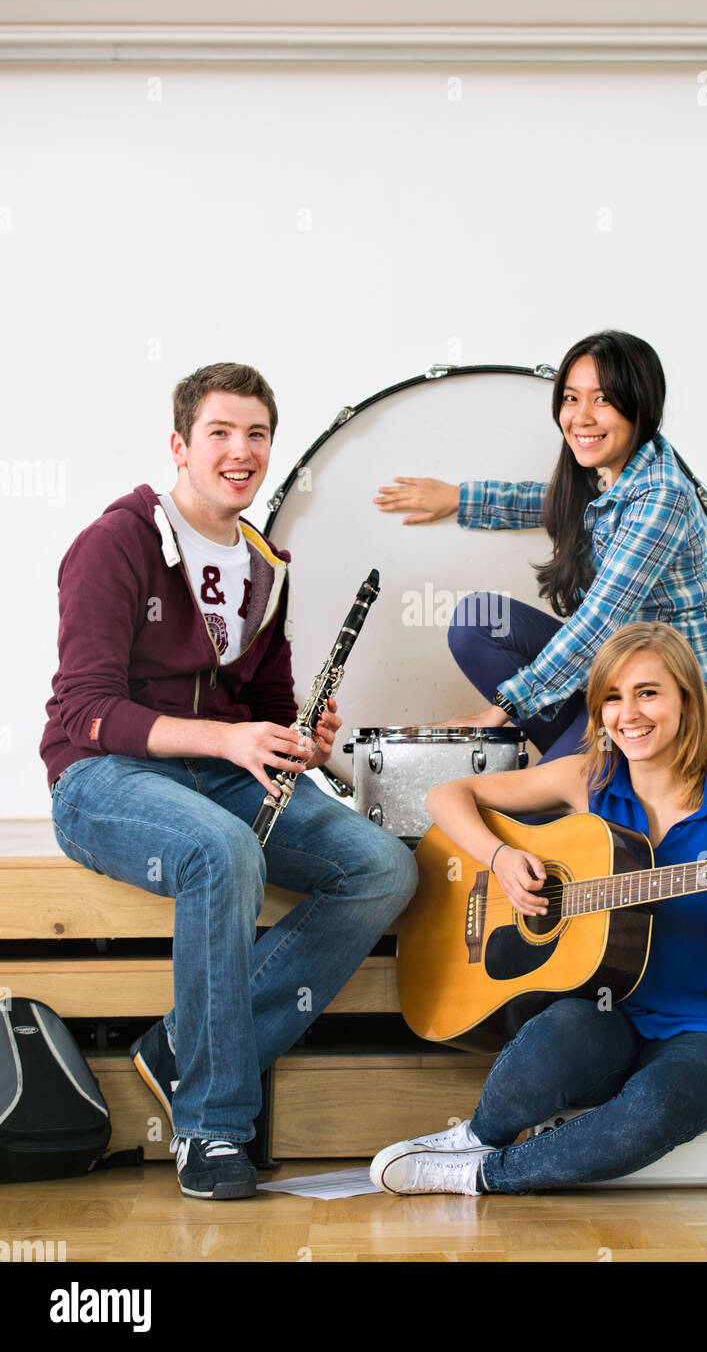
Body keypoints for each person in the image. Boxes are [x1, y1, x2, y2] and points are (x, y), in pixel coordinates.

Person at [40, 362, 417, 1200]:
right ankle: (211, 1124)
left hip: (217, 774)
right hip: (105, 778)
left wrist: (300, 738)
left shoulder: (265, 564)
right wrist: (225, 737)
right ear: (180, 445)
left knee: (383, 868)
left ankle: (184, 1042)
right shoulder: (116, 543)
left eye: (256, 435)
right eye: (219, 432)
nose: (240, 451)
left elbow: (267, 705)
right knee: (221, 851)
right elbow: (85, 709)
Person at [370, 621, 707, 1196]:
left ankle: (480, 1174)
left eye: (647, 692)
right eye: (611, 697)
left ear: (687, 700)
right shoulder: (590, 777)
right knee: (554, 1035)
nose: (628, 713)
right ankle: (480, 1134)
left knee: (654, 1109)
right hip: (607, 1012)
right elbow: (445, 796)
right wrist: (501, 857)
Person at [373, 330, 707, 760]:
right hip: (614, 677)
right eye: (571, 398)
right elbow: (550, 501)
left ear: (639, 406)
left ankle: (592, 776)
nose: (581, 417)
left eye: (603, 399)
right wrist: (459, 498)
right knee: (477, 620)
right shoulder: (609, 469)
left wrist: (500, 711)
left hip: (691, 689)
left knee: (535, 812)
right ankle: (591, 764)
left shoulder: (662, 496)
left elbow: (600, 620)